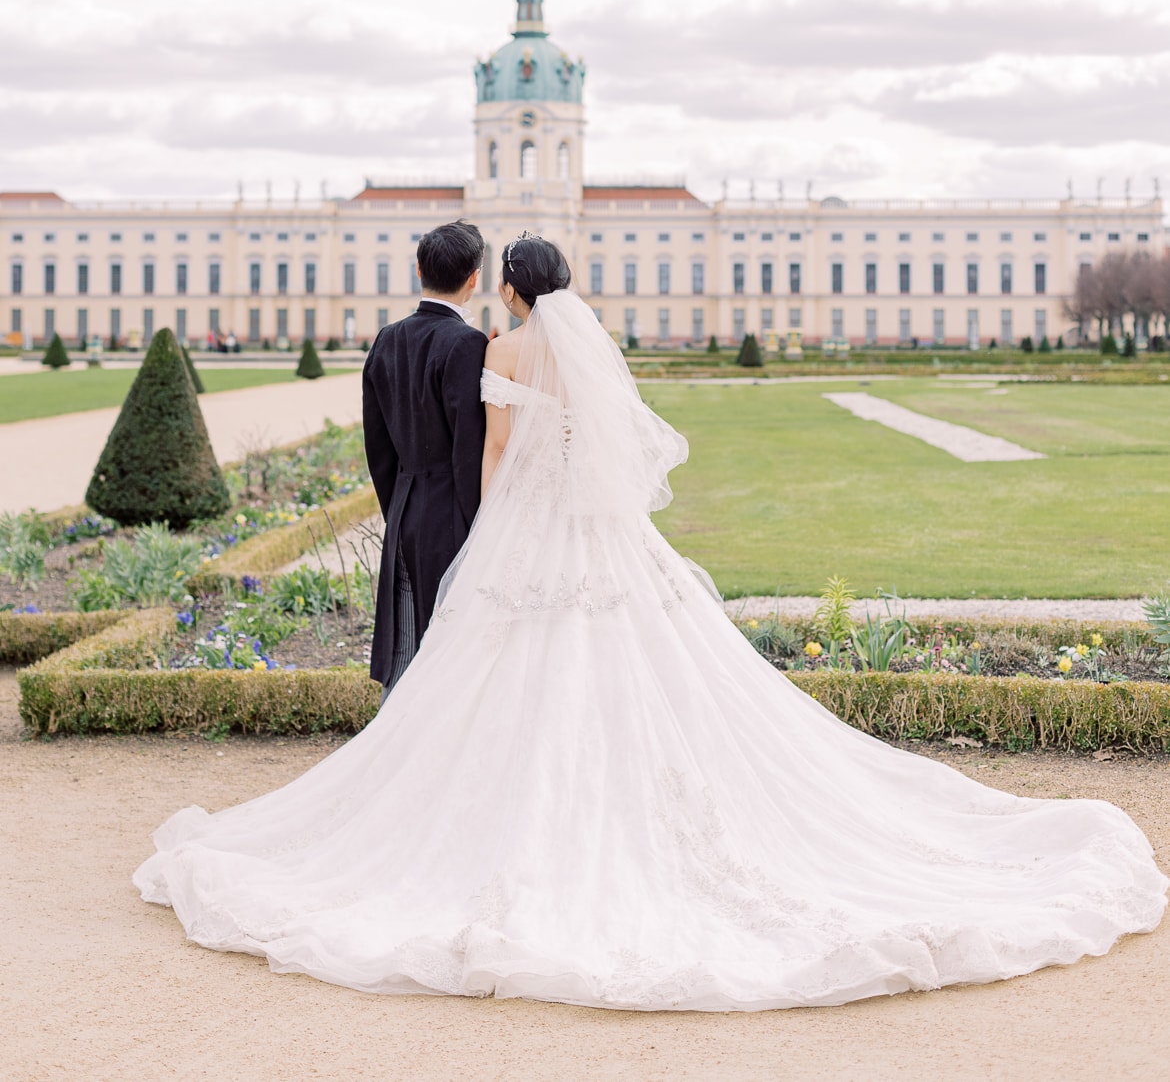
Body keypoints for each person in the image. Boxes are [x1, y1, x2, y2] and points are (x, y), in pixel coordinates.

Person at [134, 234, 1167, 1011]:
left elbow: (491, 455)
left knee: (481, 682)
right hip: (601, 533)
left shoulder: (501, 346)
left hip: (524, 532)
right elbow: (604, 451)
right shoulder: (577, 346)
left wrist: (496, 529)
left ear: (508, 287)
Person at [362, 219, 487, 696]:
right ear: (474, 278)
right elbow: (468, 450)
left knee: (406, 644)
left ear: (418, 270)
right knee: (450, 648)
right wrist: (482, 523)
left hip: (404, 508)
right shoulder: (467, 343)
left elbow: (378, 448)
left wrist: (397, 508)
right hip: (451, 512)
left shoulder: (386, 338)